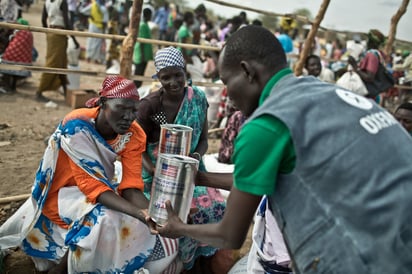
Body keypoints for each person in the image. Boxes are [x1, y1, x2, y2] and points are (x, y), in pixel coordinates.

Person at [151, 25, 412, 273]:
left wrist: (180, 227)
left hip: (373, 259)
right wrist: (203, 178)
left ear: (247, 71)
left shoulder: (266, 124)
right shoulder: (322, 93)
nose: (229, 95)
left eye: (227, 82)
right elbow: (258, 179)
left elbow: (230, 235)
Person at [0, 76, 179, 273]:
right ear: (102, 103)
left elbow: (130, 187)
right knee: (105, 219)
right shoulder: (77, 125)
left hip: (98, 188)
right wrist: (139, 213)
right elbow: (94, 188)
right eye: (122, 107)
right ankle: (65, 268)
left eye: (134, 110)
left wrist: (152, 215)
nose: (129, 116)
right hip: (60, 192)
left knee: (142, 227)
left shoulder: (134, 134)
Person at [136, 46, 228, 273]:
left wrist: (192, 163)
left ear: (185, 72)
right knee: (175, 213)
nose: (173, 82)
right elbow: (135, 147)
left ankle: (195, 261)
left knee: (216, 207)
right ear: (158, 78)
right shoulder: (150, 106)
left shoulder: (197, 98)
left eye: (178, 74)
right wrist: (156, 171)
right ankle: (184, 263)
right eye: (165, 77)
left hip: (192, 170)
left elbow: (204, 140)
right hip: (155, 174)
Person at [36, 0, 71, 101]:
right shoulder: (62, 2)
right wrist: (73, 37)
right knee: (52, 63)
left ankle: (65, 91)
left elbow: (43, 19)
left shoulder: (47, 2)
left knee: (62, 63)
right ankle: (39, 91)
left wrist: (48, 32)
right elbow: (67, 21)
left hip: (51, 33)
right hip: (59, 34)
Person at [0, 18, 33, 93]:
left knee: (6, 66)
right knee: (16, 69)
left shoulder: (16, 32)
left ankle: (6, 86)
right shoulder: (29, 33)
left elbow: (8, 43)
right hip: (24, 58)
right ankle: (13, 87)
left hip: (11, 55)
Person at [132, 7, 153, 88]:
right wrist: (143, 55)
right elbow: (141, 42)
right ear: (147, 15)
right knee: (138, 75)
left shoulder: (146, 24)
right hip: (141, 55)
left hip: (144, 55)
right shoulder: (143, 25)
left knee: (140, 75)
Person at [85, 0, 108, 64]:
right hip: (99, 27)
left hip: (92, 26)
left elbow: (83, 11)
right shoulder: (104, 8)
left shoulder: (92, 5)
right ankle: (95, 59)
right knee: (97, 43)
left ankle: (88, 57)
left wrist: (90, 16)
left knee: (90, 41)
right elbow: (105, 21)